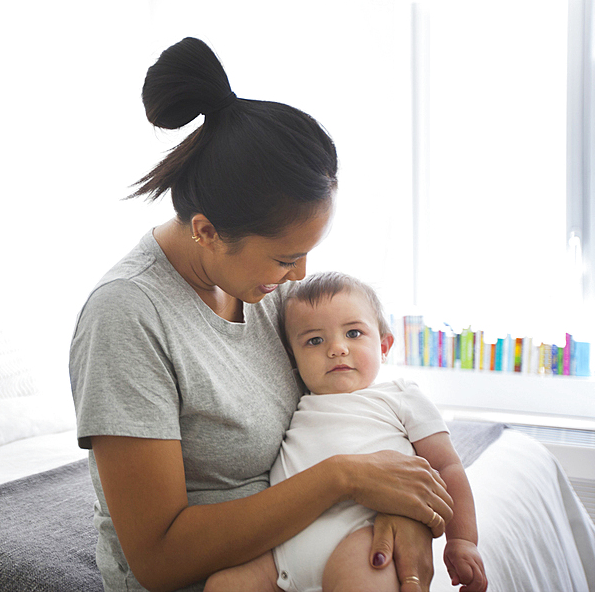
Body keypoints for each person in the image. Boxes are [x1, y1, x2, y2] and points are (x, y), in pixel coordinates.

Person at [69, 37, 453, 592]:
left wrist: (393, 506)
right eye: (285, 257)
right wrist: (347, 480)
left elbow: (346, 401)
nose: (298, 276)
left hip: (310, 538)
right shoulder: (128, 317)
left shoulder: (260, 285)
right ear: (206, 231)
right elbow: (158, 561)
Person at [204, 272, 488, 592]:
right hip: (283, 554)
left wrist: (462, 540)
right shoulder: (297, 404)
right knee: (222, 585)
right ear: (292, 359)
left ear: (383, 345)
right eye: (314, 340)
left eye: (353, 333)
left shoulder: (399, 395)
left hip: (363, 538)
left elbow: (447, 465)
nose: (337, 349)